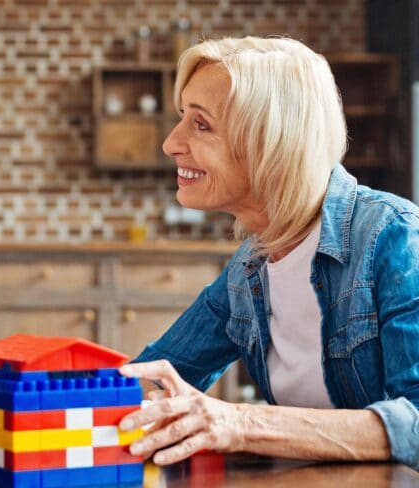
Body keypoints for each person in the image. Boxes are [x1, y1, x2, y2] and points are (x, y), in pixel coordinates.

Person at [118, 36, 419, 470]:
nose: (170, 143)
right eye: (182, 118)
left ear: (270, 143)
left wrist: (242, 422)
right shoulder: (250, 267)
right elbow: (151, 380)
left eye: (201, 125)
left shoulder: (393, 236)